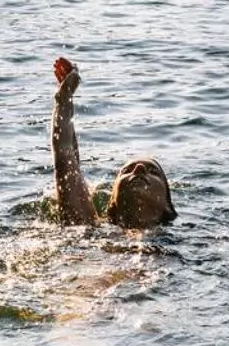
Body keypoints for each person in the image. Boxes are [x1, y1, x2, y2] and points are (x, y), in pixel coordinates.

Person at [51, 56, 177, 229]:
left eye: (153, 172)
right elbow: (65, 160)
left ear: (167, 207)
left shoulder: (200, 240)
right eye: (127, 170)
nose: (139, 169)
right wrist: (65, 98)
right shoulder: (87, 229)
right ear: (112, 203)